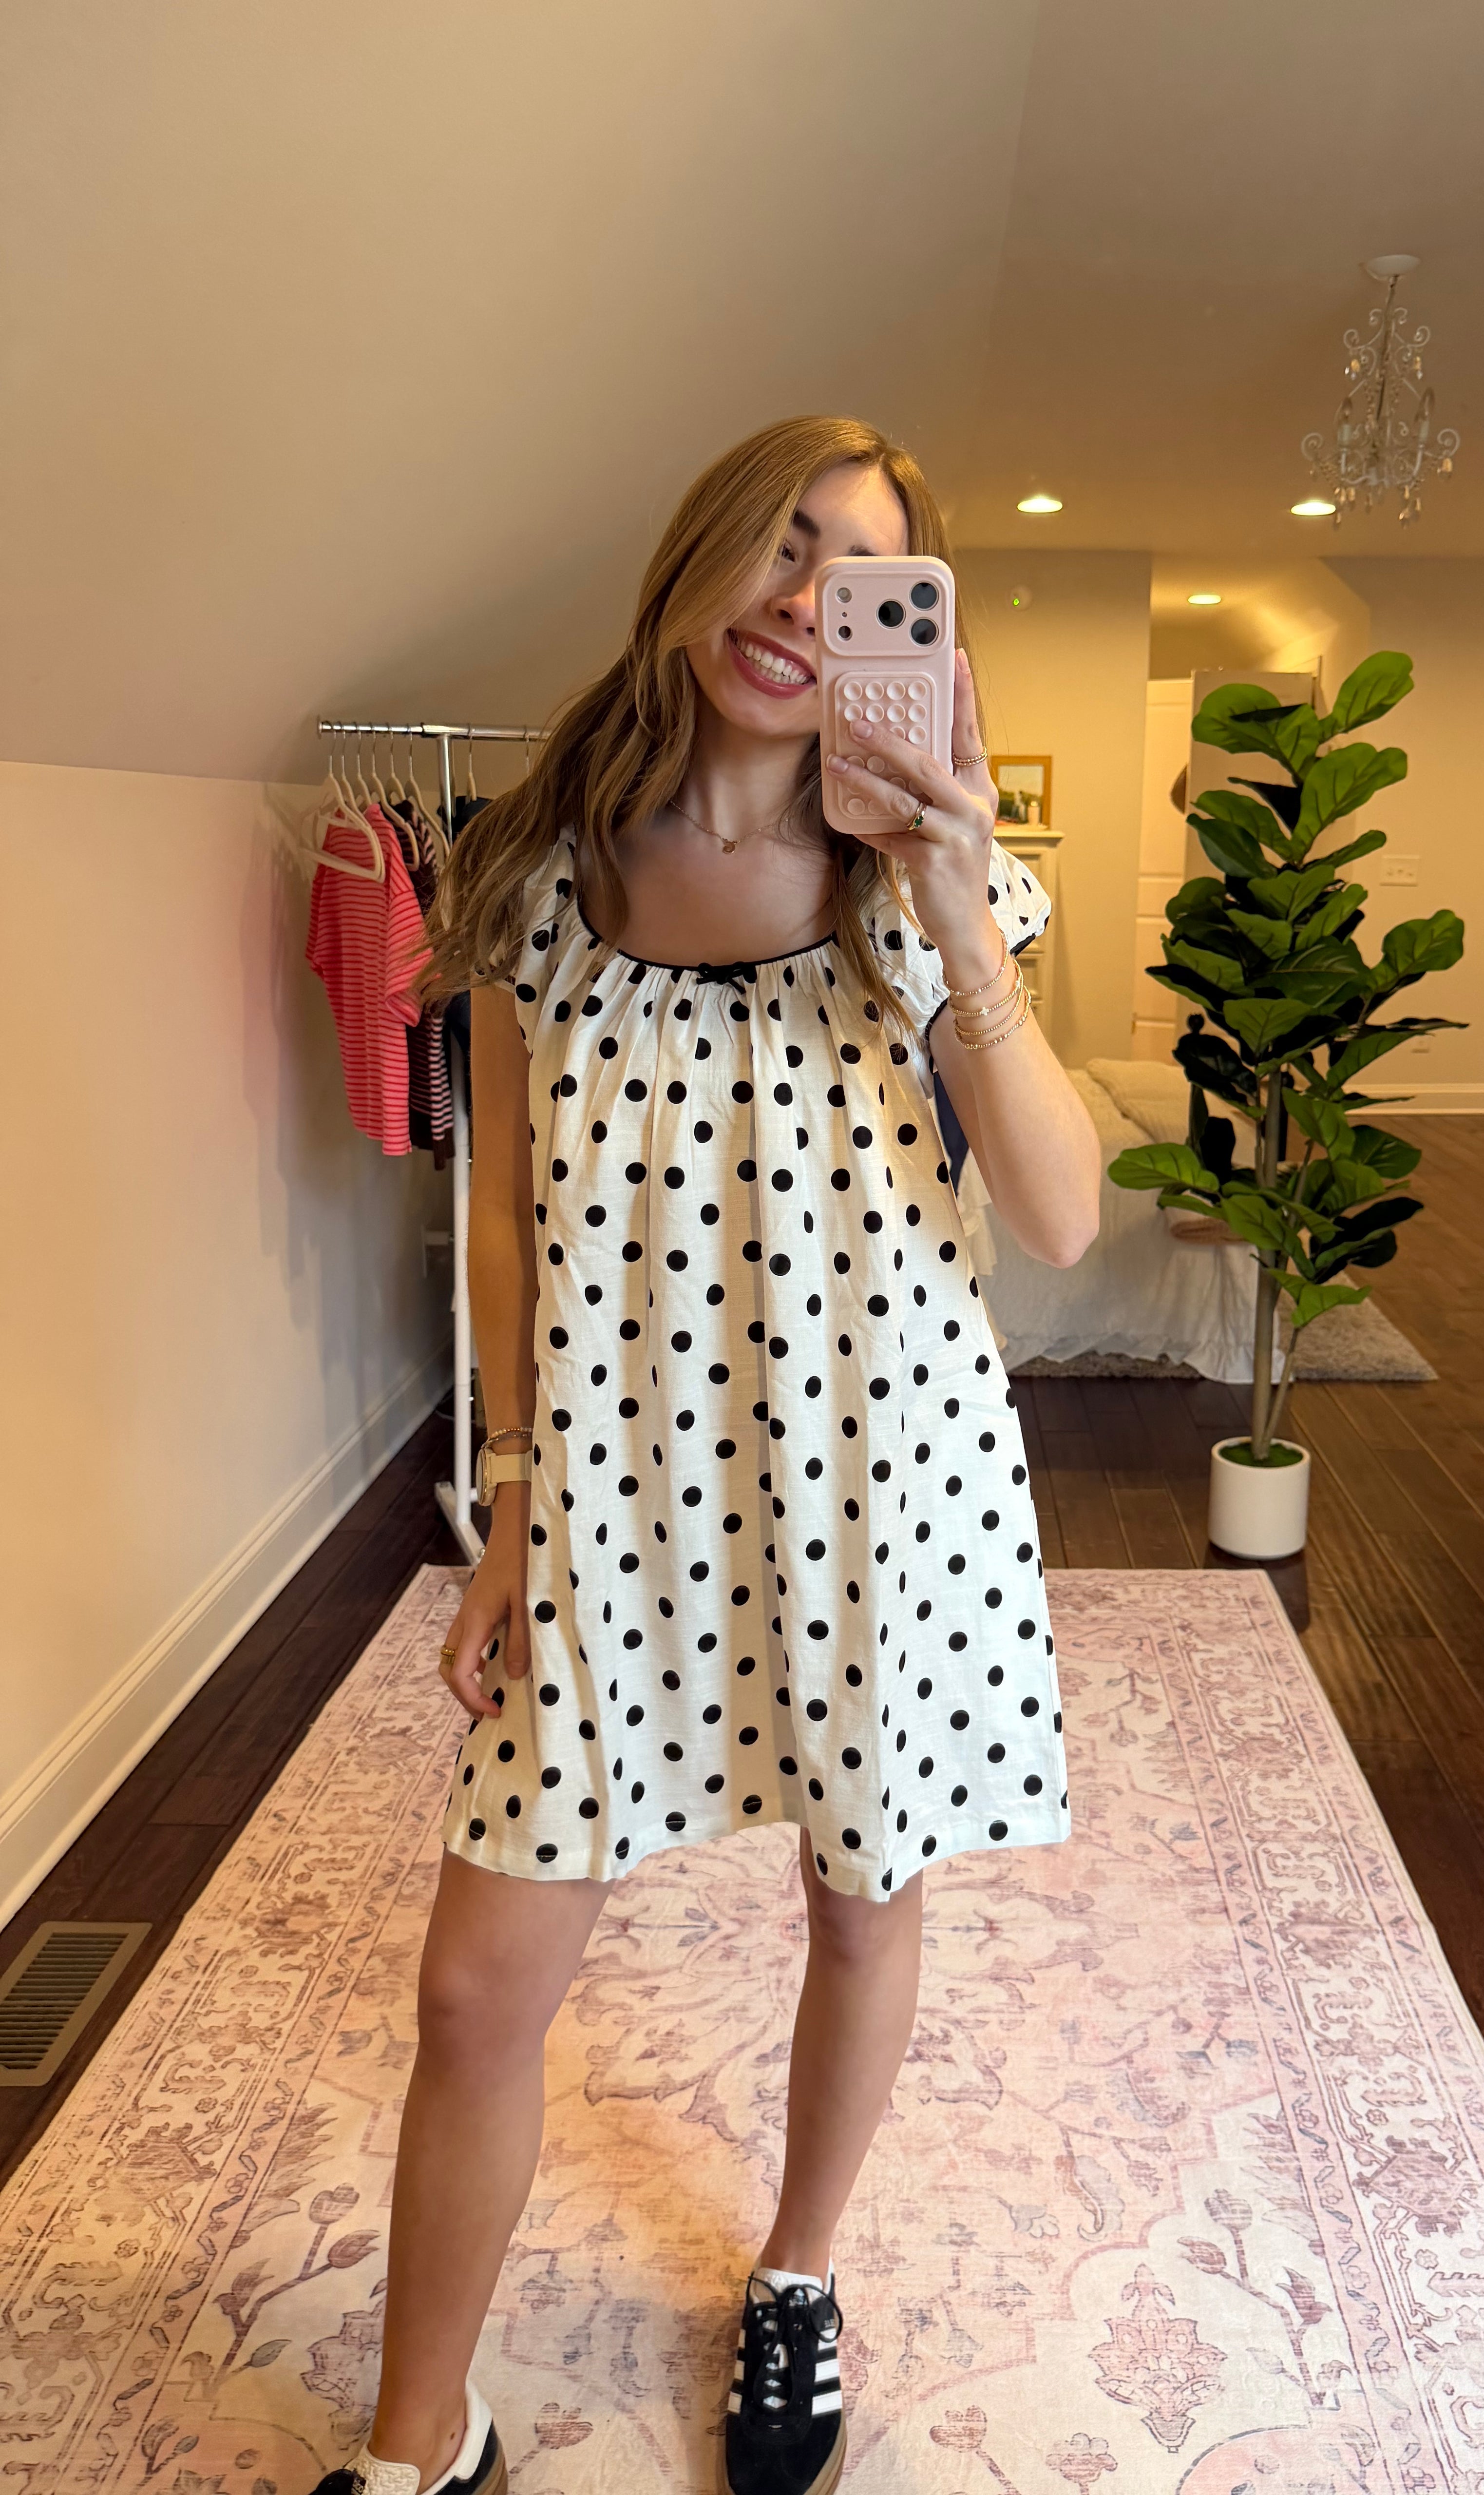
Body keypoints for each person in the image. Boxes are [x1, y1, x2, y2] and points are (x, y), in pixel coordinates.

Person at [311, 414, 1101, 2495]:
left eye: (861, 572)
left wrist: (960, 898)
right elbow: (501, 1208)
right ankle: (421, 2434)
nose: (805, 600)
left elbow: (1062, 1212)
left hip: (880, 1485)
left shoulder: (924, 885)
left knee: (862, 1900)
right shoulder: (531, 872)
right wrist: (507, 1501)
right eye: (781, 541)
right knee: (477, 1989)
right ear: (696, 556)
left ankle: (800, 2272)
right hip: (611, 1494)